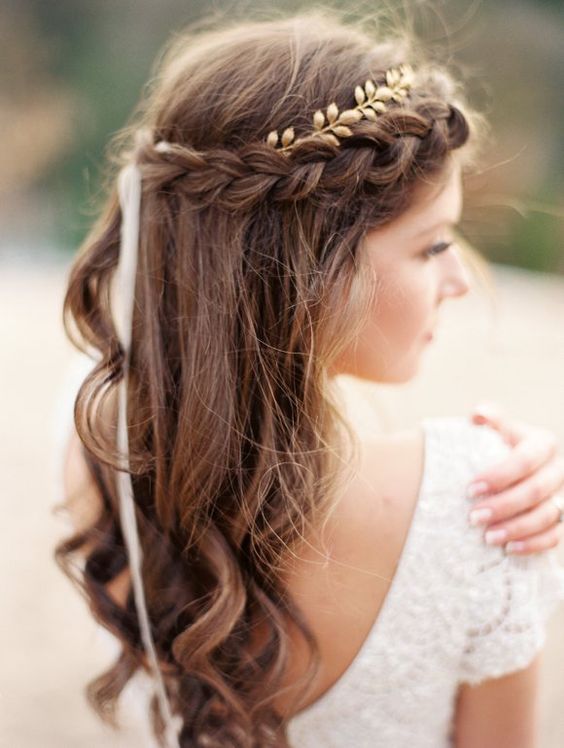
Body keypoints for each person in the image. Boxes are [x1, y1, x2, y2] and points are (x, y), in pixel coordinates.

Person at [54, 10, 564, 747]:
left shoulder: (100, 437)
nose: (458, 278)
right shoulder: (482, 506)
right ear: (312, 272)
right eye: (432, 246)